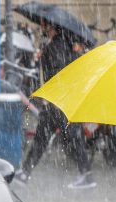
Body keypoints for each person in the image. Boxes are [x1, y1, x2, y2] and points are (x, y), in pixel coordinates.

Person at [19, 23, 91, 188]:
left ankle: (87, 175)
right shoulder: (63, 45)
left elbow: (58, 73)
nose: (44, 28)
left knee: (69, 138)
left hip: (58, 103)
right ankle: (25, 172)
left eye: (47, 27)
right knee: (46, 138)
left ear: (54, 28)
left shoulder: (56, 46)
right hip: (61, 101)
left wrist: (55, 98)